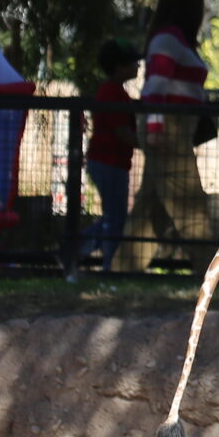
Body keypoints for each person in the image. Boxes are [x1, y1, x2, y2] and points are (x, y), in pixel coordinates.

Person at [124, 0, 215, 270]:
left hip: (173, 129)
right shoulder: (168, 40)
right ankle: (216, 275)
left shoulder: (172, 39)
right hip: (168, 130)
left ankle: (121, 271)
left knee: (150, 213)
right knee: (191, 208)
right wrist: (154, 129)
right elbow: (154, 88)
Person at [72, 40, 141, 272]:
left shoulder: (114, 91)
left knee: (115, 216)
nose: (137, 66)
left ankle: (79, 251)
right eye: (132, 63)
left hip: (111, 162)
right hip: (108, 162)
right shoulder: (112, 93)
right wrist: (151, 145)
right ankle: (101, 261)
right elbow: (121, 132)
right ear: (118, 66)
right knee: (115, 219)